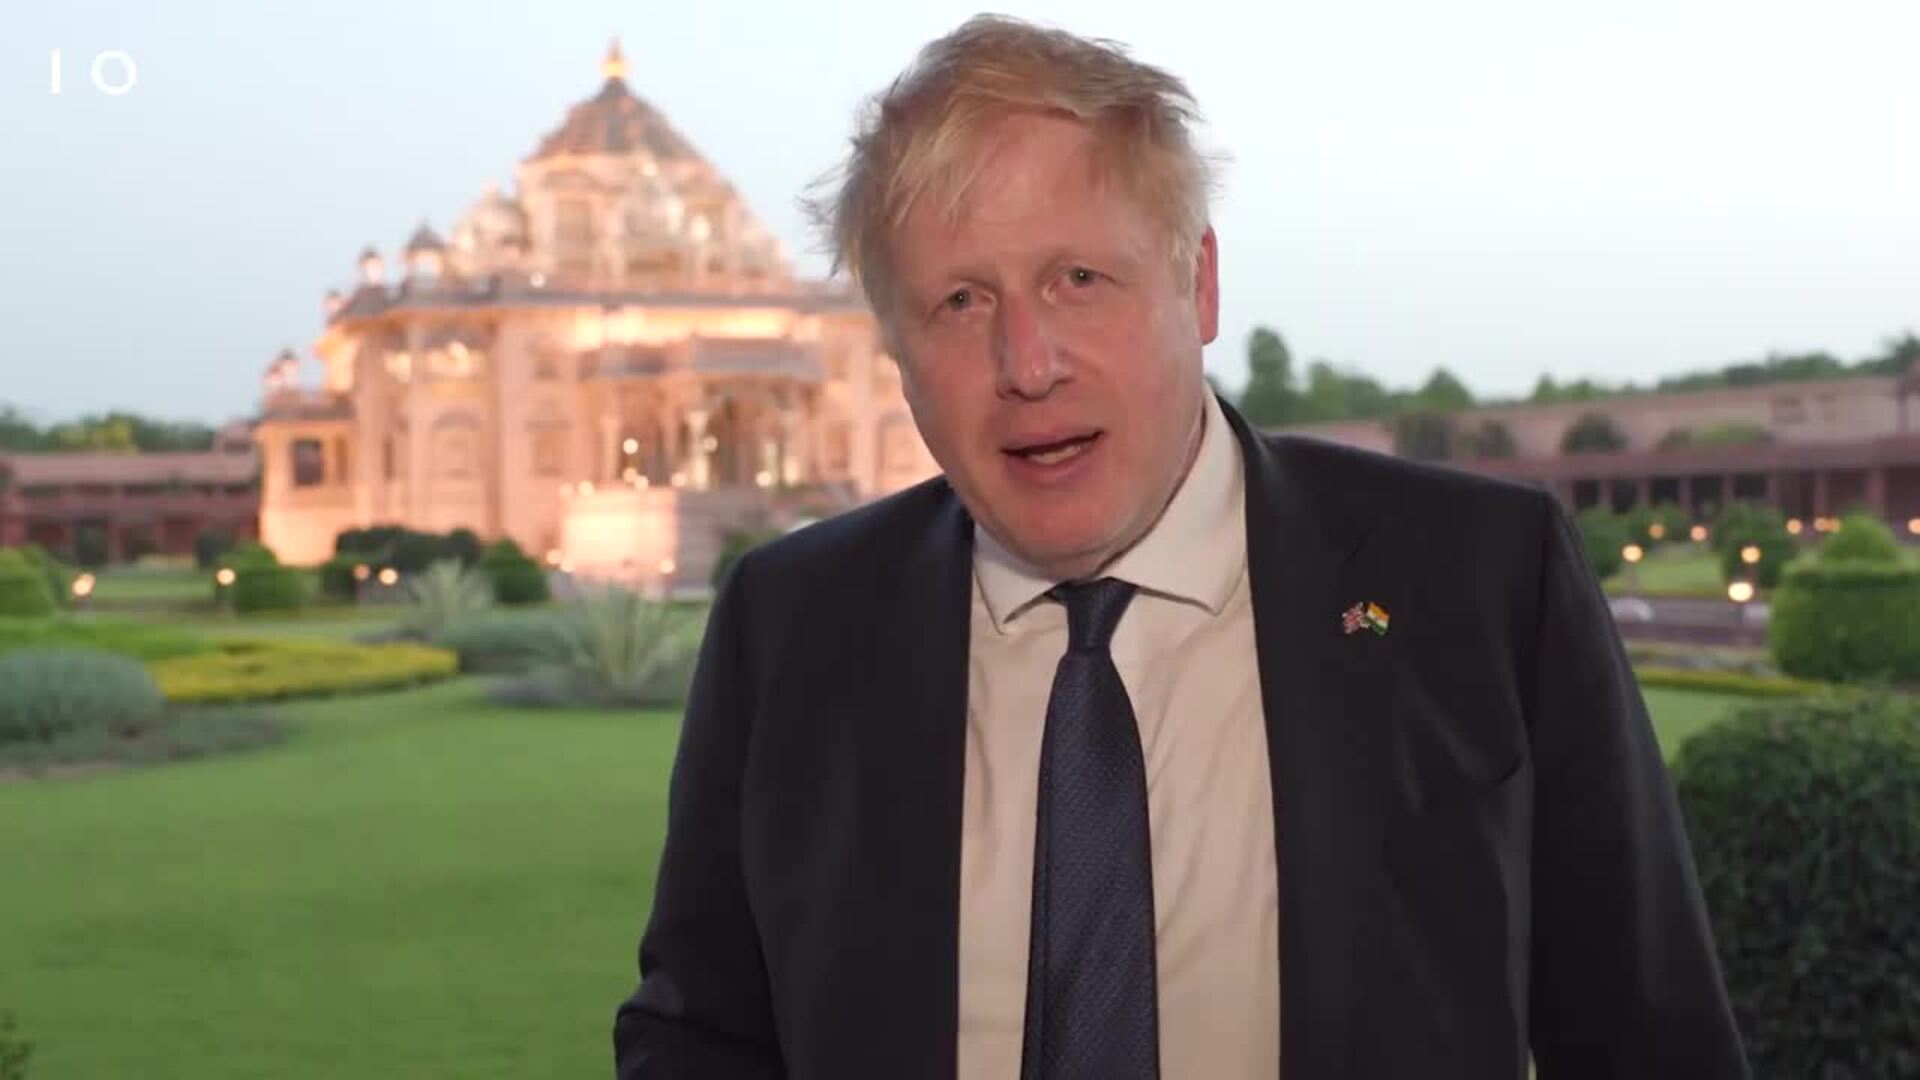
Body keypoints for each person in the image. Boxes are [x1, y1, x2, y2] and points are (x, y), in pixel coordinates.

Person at [613, 14, 1748, 1079]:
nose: (1027, 363)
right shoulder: (794, 626)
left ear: (1197, 284)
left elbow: (1647, 1037)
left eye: (1078, 279)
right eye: (959, 301)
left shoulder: (1482, 580)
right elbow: (702, 1036)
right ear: (896, 350)